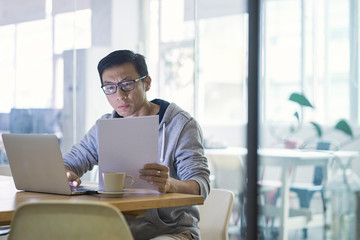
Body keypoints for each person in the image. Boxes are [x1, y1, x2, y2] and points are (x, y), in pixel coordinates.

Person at [63, 49, 210, 240]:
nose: (120, 95)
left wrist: (169, 184)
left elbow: (201, 186)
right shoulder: (105, 126)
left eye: (127, 84)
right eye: (109, 87)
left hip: (171, 232)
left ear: (146, 83)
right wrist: (66, 174)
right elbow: (70, 163)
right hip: (114, 230)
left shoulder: (180, 124)